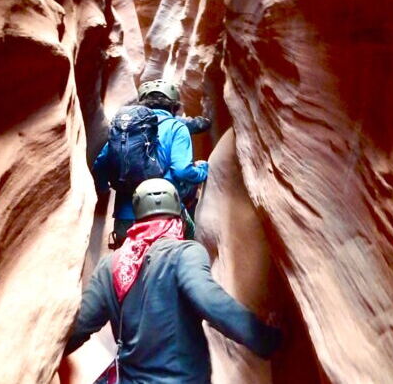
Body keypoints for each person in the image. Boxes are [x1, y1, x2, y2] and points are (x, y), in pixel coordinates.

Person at [64, 179, 281, 383]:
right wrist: (267, 338)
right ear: (177, 212)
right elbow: (209, 300)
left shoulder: (110, 265)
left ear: (137, 215)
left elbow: (79, 327)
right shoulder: (185, 253)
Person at [93, 80, 209, 247]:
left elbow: (100, 165)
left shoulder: (126, 130)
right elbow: (182, 170)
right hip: (166, 216)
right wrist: (202, 171)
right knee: (187, 245)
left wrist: (104, 188)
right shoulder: (177, 128)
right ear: (174, 106)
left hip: (126, 218)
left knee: (126, 267)